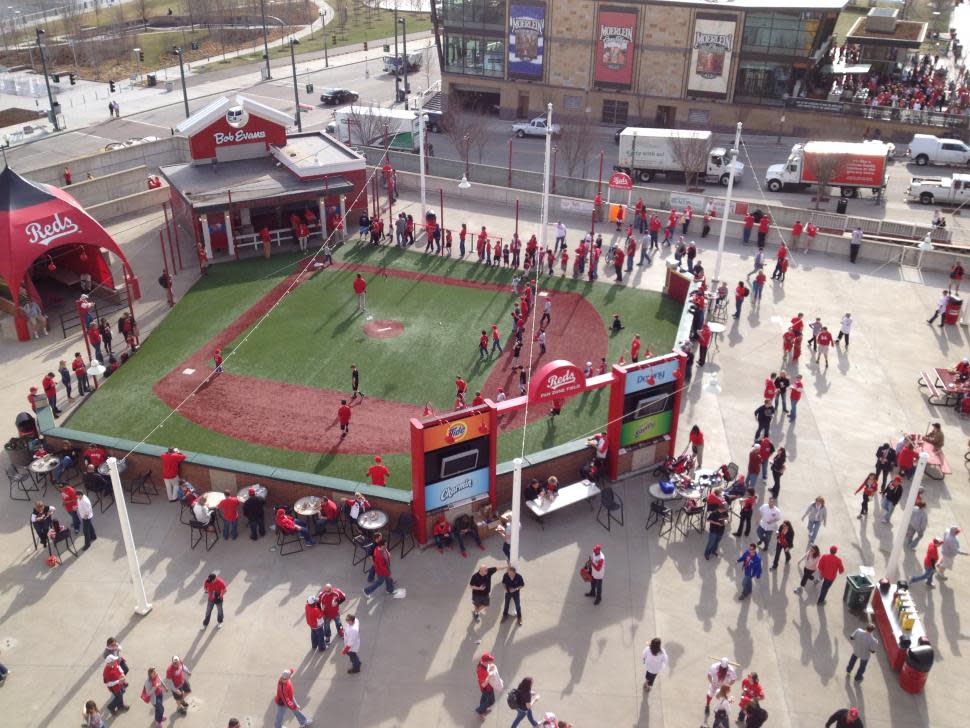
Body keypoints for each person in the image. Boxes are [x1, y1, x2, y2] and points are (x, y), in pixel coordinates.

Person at [475, 652, 502, 719]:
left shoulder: (481, 664)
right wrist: (489, 676)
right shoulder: (481, 671)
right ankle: (479, 710)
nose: (491, 661)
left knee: (484, 698)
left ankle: (482, 709)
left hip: (485, 689)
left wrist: (489, 669)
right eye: (489, 660)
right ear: (486, 662)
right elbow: (484, 685)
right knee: (491, 700)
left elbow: (485, 670)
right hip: (487, 689)